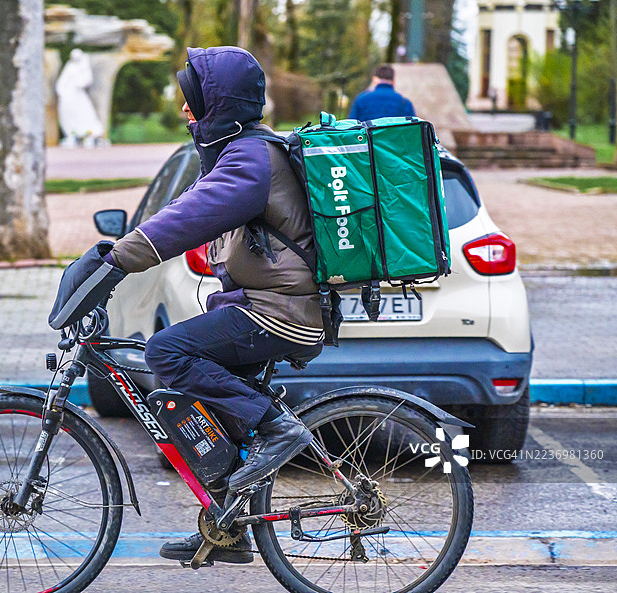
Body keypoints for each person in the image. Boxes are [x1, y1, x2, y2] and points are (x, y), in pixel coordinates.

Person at [48, 46, 323, 565]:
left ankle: (279, 428)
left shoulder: (251, 159)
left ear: (219, 105)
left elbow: (187, 220)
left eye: (192, 101)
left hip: (281, 312)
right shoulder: (237, 153)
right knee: (210, 415)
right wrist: (112, 254)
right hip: (267, 304)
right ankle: (229, 528)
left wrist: (117, 259)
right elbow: (180, 207)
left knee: (165, 351)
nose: (183, 110)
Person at [348, 64, 415, 121]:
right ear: (394, 81)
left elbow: (352, 127)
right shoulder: (405, 103)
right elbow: (414, 128)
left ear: (374, 79)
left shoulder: (361, 100)